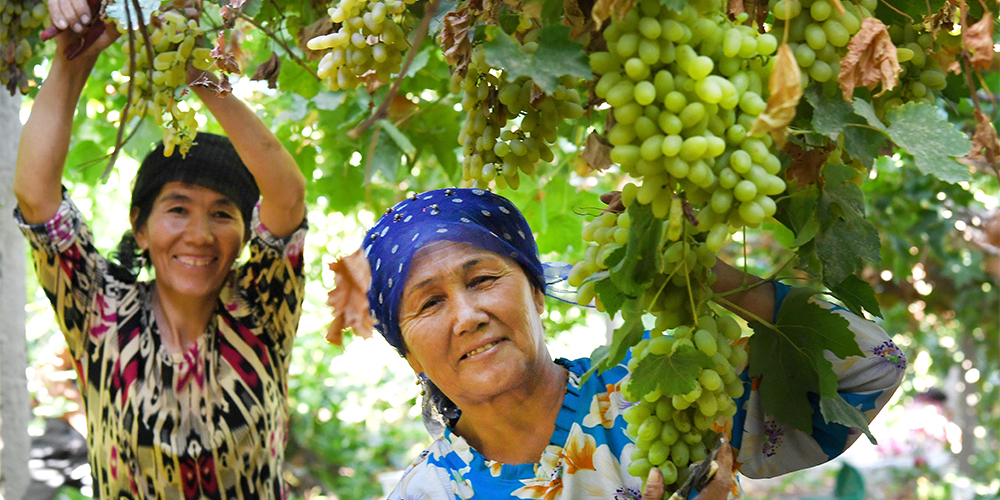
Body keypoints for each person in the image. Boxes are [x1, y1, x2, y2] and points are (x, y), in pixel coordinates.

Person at [334, 187, 906, 499]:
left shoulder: (659, 387)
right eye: (429, 303)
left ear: (537, 294)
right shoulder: (427, 496)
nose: (467, 315)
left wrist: (707, 273)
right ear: (407, 353)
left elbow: (869, 369)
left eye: (484, 279)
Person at [12, 2, 308, 497]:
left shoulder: (262, 311)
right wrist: (71, 62)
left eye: (221, 213)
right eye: (177, 209)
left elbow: (287, 195)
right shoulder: (100, 313)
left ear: (244, 232)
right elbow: (36, 197)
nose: (199, 234)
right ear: (140, 228)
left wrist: (197, 74)